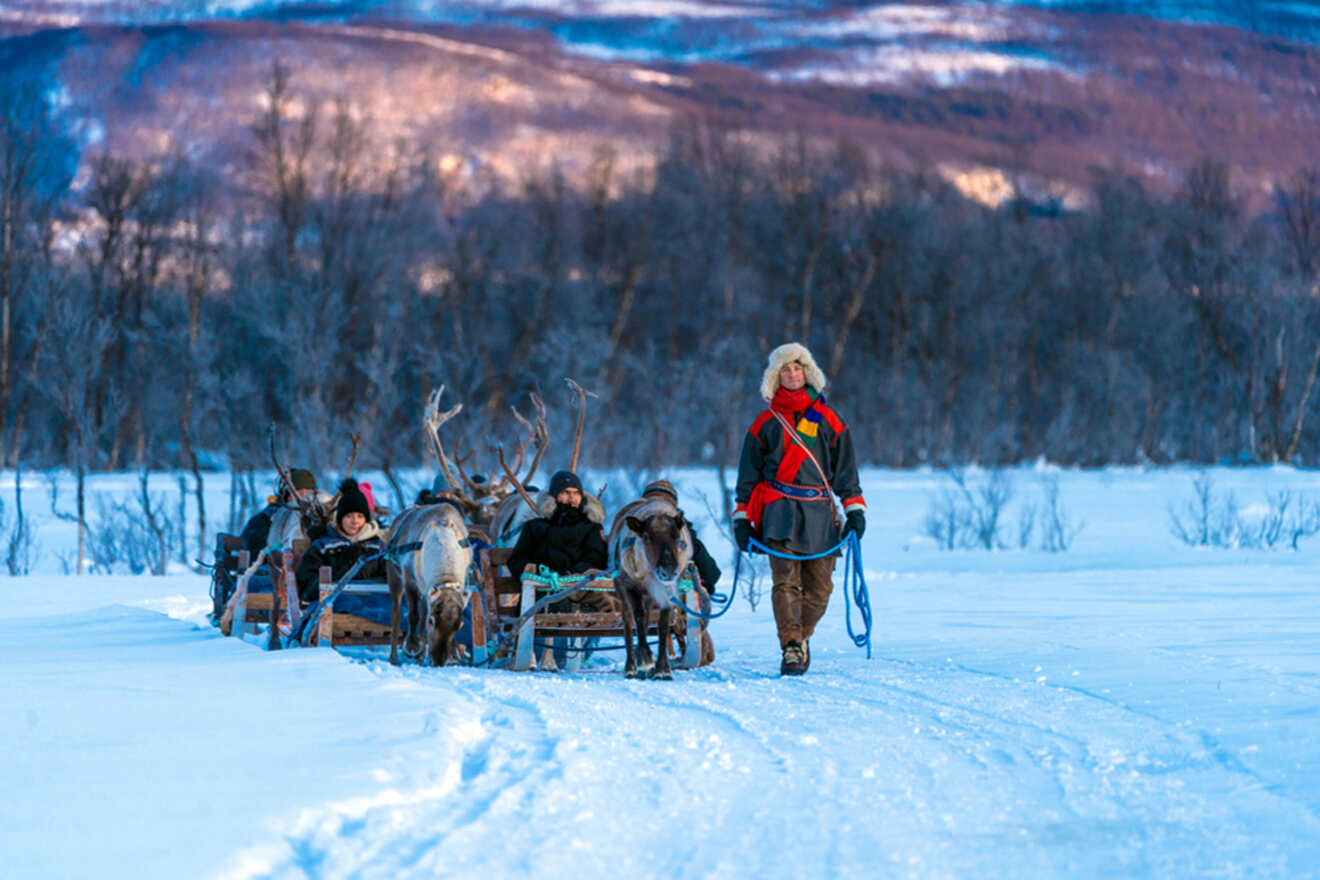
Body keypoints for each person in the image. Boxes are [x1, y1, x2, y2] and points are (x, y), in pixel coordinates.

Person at [732, 342, 866, 676]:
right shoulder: (764, 423)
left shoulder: (830, 420)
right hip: (779, 512)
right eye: (785, 369)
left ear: (808, 372)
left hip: (820, 512)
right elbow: (747, 476)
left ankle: (801, 637)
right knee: (785, 583)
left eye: (798, 368)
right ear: (775, 378)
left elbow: (846, 471)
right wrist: (741, 518)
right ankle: (790, 646)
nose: (792, 374)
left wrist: (854, 510)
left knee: (821, 590)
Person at [294, 479, 386, 604]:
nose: (355, 521)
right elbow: (307, 579)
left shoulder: (378, 547)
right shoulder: (323, 546)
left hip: (372, 605)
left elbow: (389, 576)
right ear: (340, 519)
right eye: (349, 516)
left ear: (366, 519)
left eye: (360, 516)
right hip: (333, 605)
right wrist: (329, 587)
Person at [505, 469, 608, 579]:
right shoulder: (534, 527)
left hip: (580, 589)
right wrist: (539, 572)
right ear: (554, 496)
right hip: (541, 588)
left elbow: (596, 560)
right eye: (565, 492)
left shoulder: (592, 528)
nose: (572, 497)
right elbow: (516, 562)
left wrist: (569, 575)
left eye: (576, 493)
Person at [241, 468, 316, 557]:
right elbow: (257, 551)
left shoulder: (316, 518)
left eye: (309, 494)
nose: (304, 498)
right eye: (298, 493)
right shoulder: (265, 519)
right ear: (286, 495)